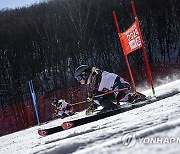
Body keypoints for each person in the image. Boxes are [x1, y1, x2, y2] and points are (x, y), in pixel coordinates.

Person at [74, 65, 139, 114]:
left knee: (118, 96)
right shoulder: (92, 80)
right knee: (96, 96)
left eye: (79, 78)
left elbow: (98, 93)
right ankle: (111, 106)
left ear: (85, 74)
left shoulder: (96, 76)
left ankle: (133, 98)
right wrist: (94, 105)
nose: (79, 81)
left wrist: (93, 95)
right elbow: (100, 95)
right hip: (114, 89)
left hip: (120, 85)